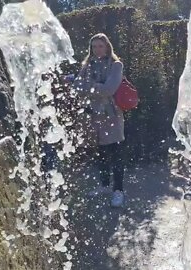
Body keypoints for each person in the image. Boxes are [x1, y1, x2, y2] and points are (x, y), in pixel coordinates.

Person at [72, 33, 126, 207]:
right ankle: (104, 185)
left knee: (116, 154)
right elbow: (76, 86)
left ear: (107, 46)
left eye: (100, 46)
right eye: (94, 46)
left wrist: (89, 88)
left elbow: (110, 89)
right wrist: (97, 88)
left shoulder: (116, 65)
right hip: (94, 116)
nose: (97, 49)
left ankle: (118, 191)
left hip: (112, 115)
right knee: (101, 155)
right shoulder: (87, 65)